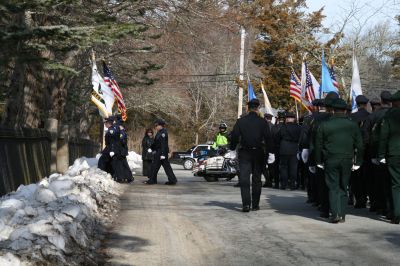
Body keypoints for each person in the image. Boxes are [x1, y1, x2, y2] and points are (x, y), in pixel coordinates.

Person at [315, 98, 364, 223]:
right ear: (344, 110)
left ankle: (335, 213)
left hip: (330, 158)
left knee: (333, 186)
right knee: (344, 186)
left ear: (332, 110)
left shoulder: (325, 125)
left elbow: (318, 145)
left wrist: (318, 161)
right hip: (347, 159)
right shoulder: (352, 125)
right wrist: (358, 162)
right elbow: (360, 145)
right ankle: (342, 214)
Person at [230, 99, 273, 212]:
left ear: (248, 108)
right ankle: (255, 204)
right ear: (258, 108)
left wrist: (232, 148)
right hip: (258, 152)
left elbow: (234, 136)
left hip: (245, 152)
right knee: (257, 179)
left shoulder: (241, 121)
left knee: (244, 179)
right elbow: (268, 138)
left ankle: (246, 204)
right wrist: (270, 152)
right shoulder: (263, 122)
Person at [364, 91, 392, 215]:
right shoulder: (393, 114)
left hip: (376, 152)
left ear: (381, 101)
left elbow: (367, 136)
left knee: (377, 180)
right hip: (392, 152)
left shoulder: (373, 116)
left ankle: (379, 204)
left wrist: (371, 152)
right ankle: (390, 206)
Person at [378, 90, 400, 224]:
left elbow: (383, 137)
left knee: (396, 184)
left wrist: (381, 154)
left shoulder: (389, 115)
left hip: (394, 153)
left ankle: (397, 213)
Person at [349, 95, 370, 208]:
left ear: (356, 104)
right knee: (367, 175)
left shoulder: (352, 117)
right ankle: (366, 196)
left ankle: (359, 198)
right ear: (366, 104)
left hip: (355, 150)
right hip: (367, 149)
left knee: (356, 175)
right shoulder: (370, 116)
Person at [146, 119, 178, 185]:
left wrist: (163, 154)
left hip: (161, 153)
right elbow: (156, 143)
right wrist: (151, 148)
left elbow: (163, 144)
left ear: (161, 126)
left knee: (155, 166)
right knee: (166, 167)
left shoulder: (163, 133)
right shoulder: (159, 132)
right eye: (155, 125)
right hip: (159, 152)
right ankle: (172, 179)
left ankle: (152, 180)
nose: (155, 127)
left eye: (156, 125)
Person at [277, 112, 301, 190]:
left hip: (284, 147)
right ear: (294, 119)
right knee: (293, 167)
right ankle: (292, 184)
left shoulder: (283, 127)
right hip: (294, 148)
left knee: (284, 167)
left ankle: (284, 184)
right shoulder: (298, 127)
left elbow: (278, 137)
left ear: (287, 119)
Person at [113, 115, 134, 183]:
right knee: (123, 163)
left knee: (120, 164)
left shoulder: (118, 126)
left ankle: (121, 177)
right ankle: (128, 177)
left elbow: (121, 139)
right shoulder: (120, 126)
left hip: (120, 149)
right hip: (122, 149)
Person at [262, 113, 274, 187]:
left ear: (265, 118)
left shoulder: (264, 126)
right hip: (272, 148)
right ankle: (271, 179)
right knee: (271, 165)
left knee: (263, 166)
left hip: (264, 148)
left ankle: (268, 180)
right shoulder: (273, 126)